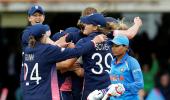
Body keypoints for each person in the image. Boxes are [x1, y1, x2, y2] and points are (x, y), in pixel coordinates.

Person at [20, 24, 107, 100]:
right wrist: (93, 42)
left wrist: (57, 46)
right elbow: (76, 52)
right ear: (43, 36)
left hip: (28, 94)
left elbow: (43, 53)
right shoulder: (47, 50)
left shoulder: (27, 50)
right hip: (43, 95)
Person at [88, 35, 144, 100]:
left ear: (126, 47)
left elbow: (140, 84)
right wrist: (102, 92)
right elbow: (114, 85)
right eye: (112, 45)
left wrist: (122, 86)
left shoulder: (132, 62)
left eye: (117, 46)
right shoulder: (112, 62)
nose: (113, 48)